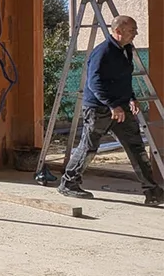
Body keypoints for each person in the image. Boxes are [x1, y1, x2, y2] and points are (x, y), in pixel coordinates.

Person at [57, 15, 162, 206]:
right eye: (132, 30)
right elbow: (94, 82)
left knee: (136, 147)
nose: (136, 33)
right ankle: (69, 183)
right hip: (99, 109)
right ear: (118, 31)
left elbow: (123, 78)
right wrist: (112, 104)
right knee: (89, 147)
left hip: (121, 108)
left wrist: (131, 98)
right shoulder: (102, 52)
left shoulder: (126, 50)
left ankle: (152, 191)